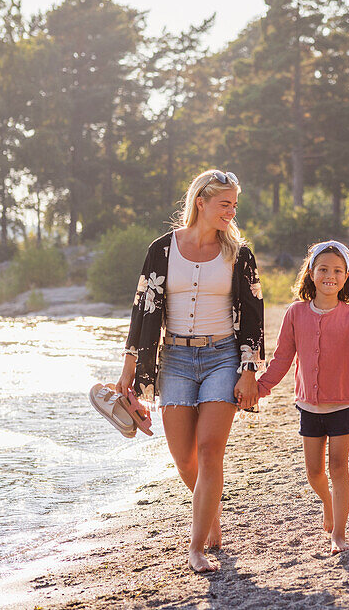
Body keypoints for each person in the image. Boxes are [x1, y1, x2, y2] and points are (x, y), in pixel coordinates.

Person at [118, 169, 265, 573]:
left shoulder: (240, 254)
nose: (231, 212)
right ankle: (210, 514)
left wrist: (248, 369)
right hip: (175, 360)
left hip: (223, 357)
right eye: (225, 204)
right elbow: (141, 311)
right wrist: (128, 370)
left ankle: (196, 546)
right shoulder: (161, 250)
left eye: (235, 205)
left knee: (208, 450)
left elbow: (253, 315)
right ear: (201, 202)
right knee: (183, 458)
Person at [255, 240, 349, 555]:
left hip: (343, 403)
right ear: (311, 273)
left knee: (338, 467)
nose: (331, 275)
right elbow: (282, 358)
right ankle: (327, 502)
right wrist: (260, 388)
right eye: (323, 269)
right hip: (308, 406)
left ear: (347, 276)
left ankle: (339, 534)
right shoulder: (295, 313)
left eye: (338, 270)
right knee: (314, 472)